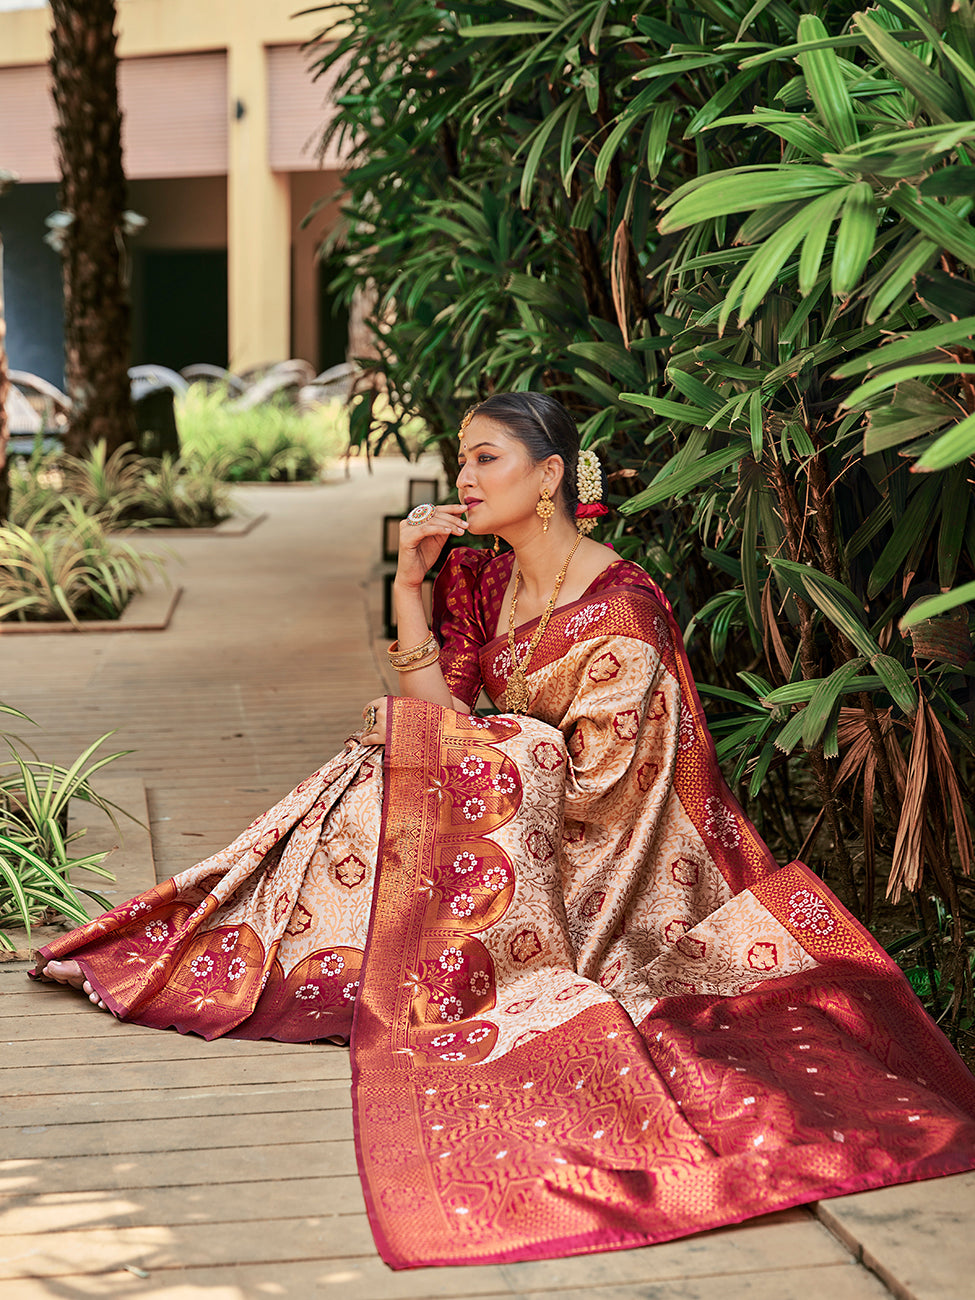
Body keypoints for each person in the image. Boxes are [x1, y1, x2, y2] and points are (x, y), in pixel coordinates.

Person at [33, 393, 975, 1271]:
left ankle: (347, 949)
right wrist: (410, 591)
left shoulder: (623, 610)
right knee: (392, 757)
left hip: (612, 867)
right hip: (510, 836)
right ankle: (267, 940)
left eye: (486, 458)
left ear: (552, 475)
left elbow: (606, 786)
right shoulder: (487, 582)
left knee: (468, 752)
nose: (466, 480)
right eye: (461, 461)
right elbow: (439, 708)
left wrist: (492, 743)